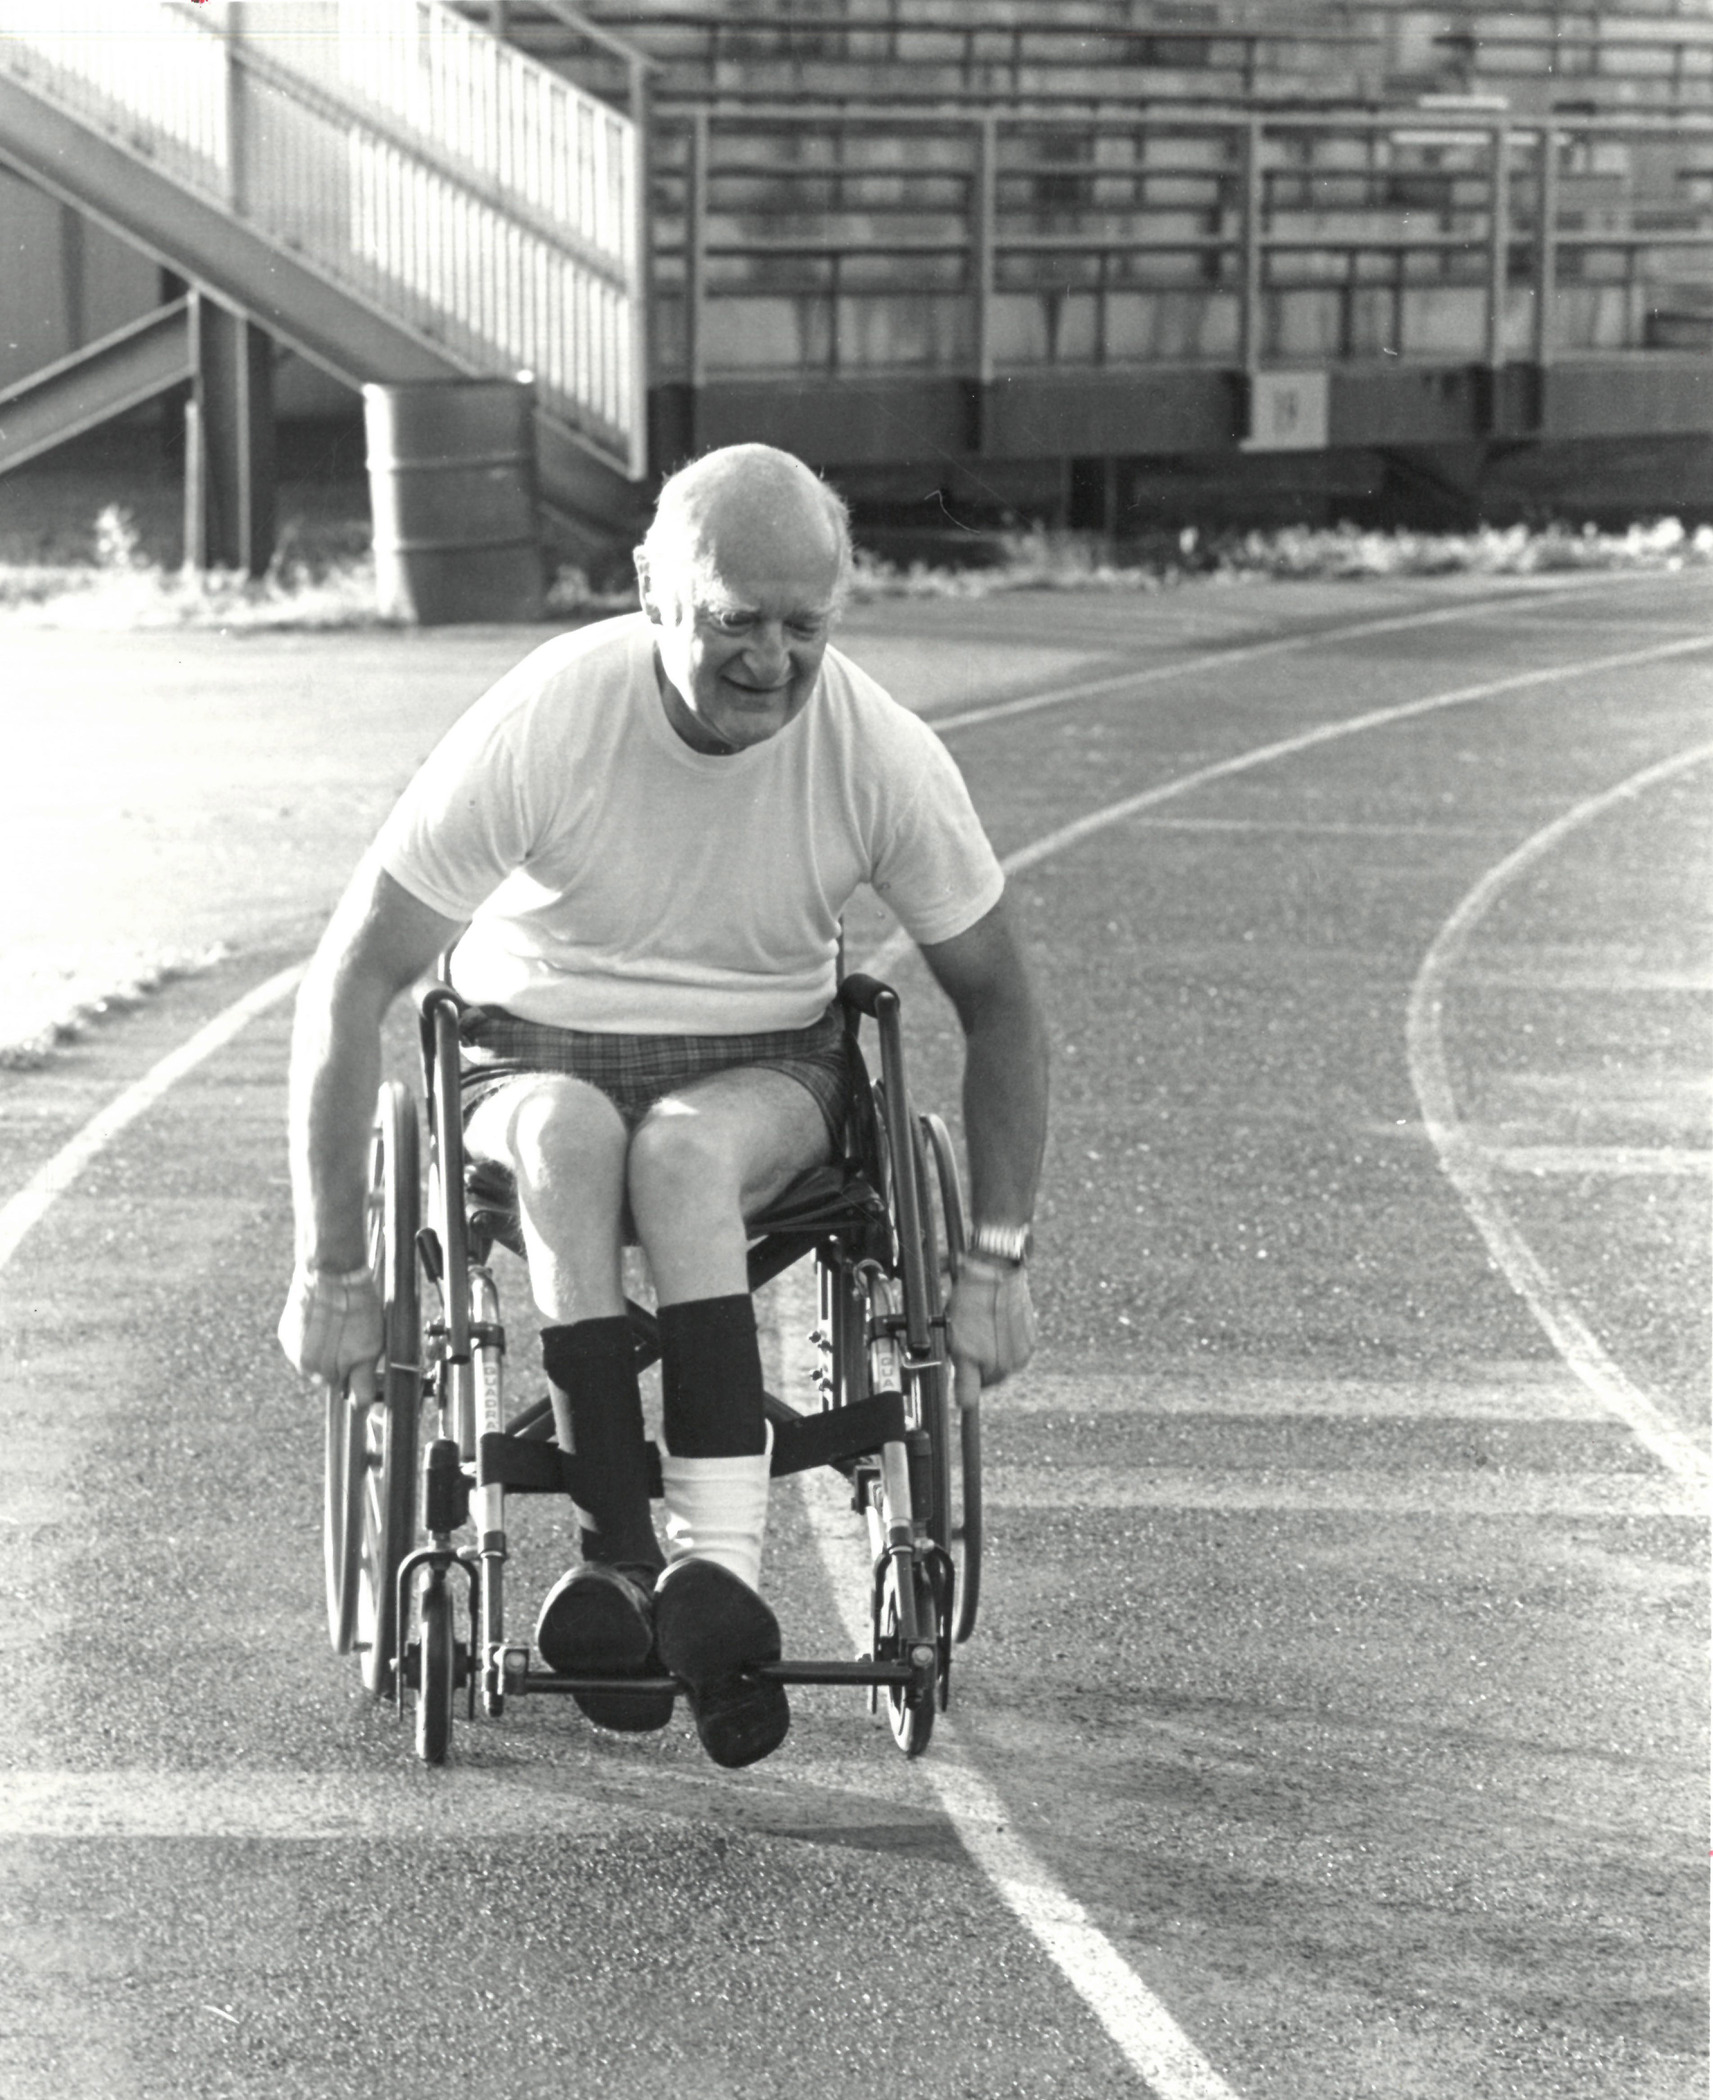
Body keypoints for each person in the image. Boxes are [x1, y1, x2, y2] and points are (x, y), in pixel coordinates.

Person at [277, 442, 1047, 1769]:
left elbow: (1001, 1004)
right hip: (531, 1049)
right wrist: (330, 1266)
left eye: (803, 626)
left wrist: (994, 1263)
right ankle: (619, 1568)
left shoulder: (879, 752)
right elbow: (353, 981)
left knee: (683, 1156)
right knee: (574, 1138)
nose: (769, 659)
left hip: (760, 1066)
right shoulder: (548, 717)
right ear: (650, 593)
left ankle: (714, 1584)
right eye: (733, 620)